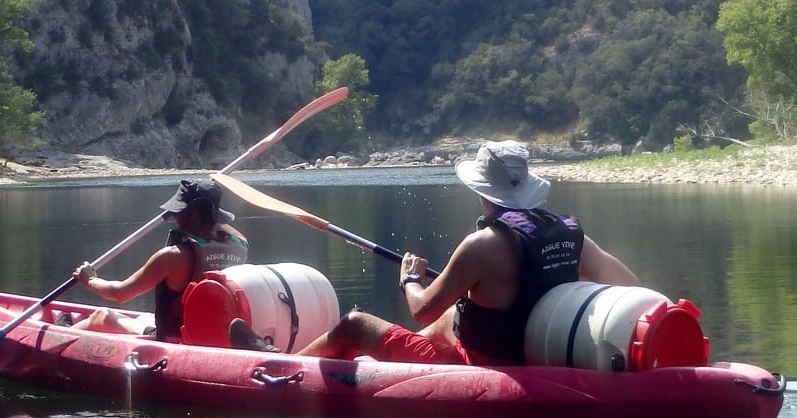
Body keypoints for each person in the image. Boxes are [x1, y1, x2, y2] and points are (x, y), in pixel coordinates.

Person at [230, 140, 638, 364]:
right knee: (451, 313)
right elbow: (630, 286)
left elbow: (420, 307)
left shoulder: (483, 245)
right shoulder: (569, 233)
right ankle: (389, 362)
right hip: (532, 347)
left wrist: (408, 277)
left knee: (355, 323)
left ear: (482, 193)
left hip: (486, 363)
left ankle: (281, 365)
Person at [66, 177, 249, 339]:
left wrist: (89, 279)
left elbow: (120, 293)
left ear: (192, 213)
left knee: (102, 315)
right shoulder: (240, 243)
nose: (175, 216)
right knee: (141, 318)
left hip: (176, 338)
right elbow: (219, 225)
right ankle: (66, 328)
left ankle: (62, 335)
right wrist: (208, 207)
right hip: (217, 333)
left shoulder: (172, 257)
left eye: (178, 210)